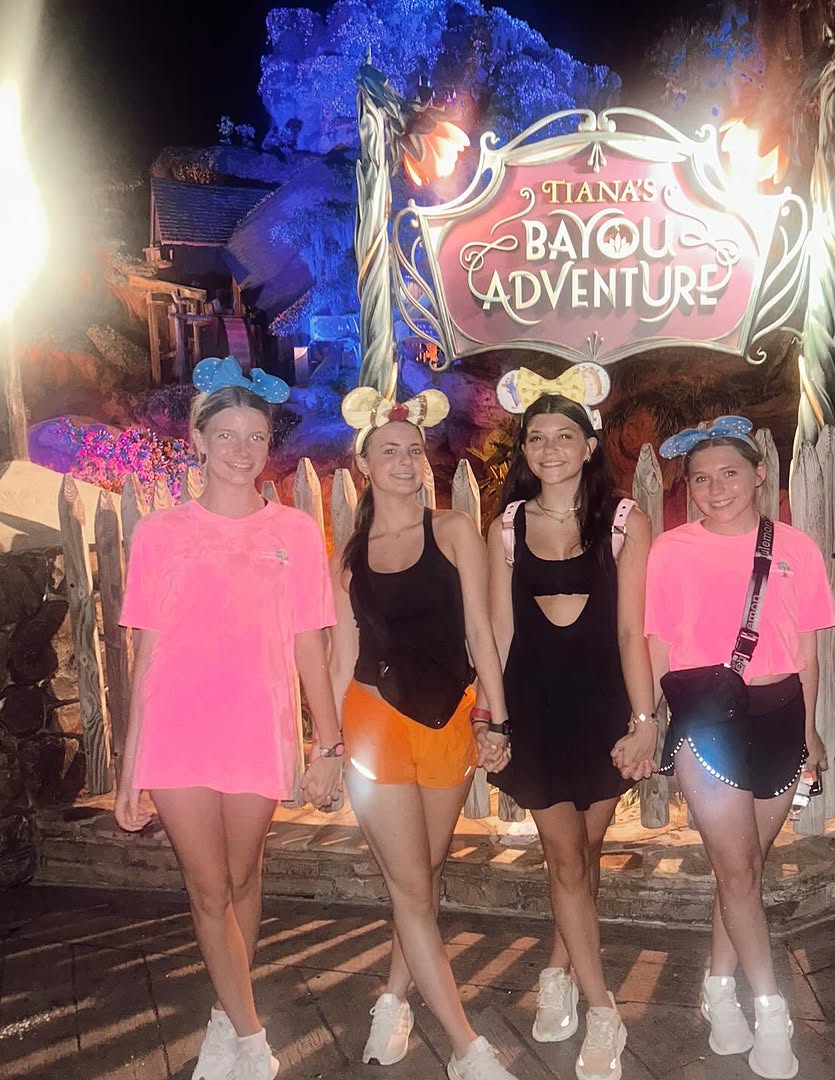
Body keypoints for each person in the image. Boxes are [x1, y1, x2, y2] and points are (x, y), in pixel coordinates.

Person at [115, 356, 343, 1080]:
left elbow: (310, 644)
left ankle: (225, 1010)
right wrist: (129, 769)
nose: (242, 450)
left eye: (255, 436)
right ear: (198, 439)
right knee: (207, 885)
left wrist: (328, 742)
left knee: (244, 876)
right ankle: (249, 1038)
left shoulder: (296, 532)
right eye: (227, 435)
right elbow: (145, 656)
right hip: (175, 731)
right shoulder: (159, 534)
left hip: (256, 726)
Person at [329, 385, 519, 1080]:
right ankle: (467, 1048)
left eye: (413, 450)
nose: (405, 462)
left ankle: (392, 997)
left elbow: (481, 633)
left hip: (449, 720)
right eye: (390, 451)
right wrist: (326, 746)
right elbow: (340, 654)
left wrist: (495, 717)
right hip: (374, 724)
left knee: (423, 877)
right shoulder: (350, 555)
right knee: (411, 886)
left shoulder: (456, 531)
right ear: (365, 465)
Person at [644, 416, 835, 1080]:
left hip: (781, 716)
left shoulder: (797, 548)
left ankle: (718, 987)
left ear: (760, 475)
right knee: (738, 872)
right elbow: (657, 642)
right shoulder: (671, 550)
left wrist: (810, 730)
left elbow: (809, 652)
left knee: (744, 871)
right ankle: (771, 1010)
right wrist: (647, 718)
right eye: (700, 479)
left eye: (729, 473)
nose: (715, 488)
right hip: (707, 722)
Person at [485, 363, 657, 1080]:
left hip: (602, 707)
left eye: (564, 435)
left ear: (589, 446)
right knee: (562, 856)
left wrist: (644, 720)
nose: (549, 448)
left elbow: (632, 632)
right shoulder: (507, 527)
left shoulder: (623, 522)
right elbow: (498, 633)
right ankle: (602, 1007)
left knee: (586, 853)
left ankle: (558, 969)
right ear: (523, 450)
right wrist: (492, 719)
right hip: (533, 708)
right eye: (536, 437)